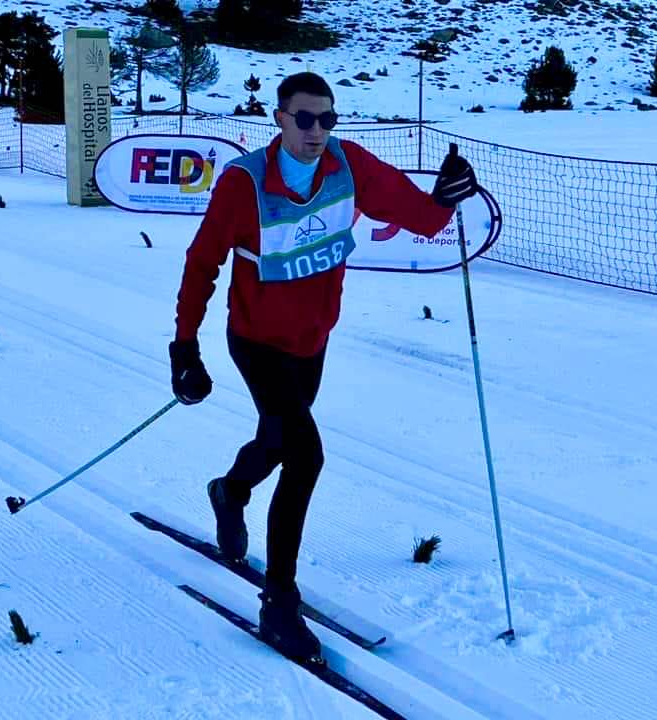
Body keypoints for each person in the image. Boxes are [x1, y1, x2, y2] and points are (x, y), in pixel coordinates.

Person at [168, 72, 479, 662]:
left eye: (327, 119)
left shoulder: (349, 166)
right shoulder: (245, 184)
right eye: (305, 119)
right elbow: (201, 262)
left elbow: (424, 218)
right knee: (306, 454)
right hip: (256, 340)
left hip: (313, 340)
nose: (317, 132)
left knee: (279, 439)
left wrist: (449, 192)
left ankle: (229, 491)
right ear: (279, 119)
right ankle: (278, 602)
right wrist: (185, 346)